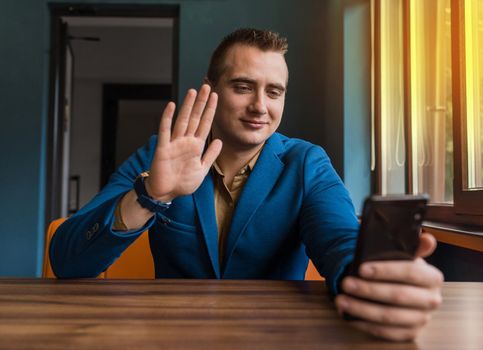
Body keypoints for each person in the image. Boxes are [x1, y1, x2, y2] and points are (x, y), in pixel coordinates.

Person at [50, 28, 443, 341]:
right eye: (243, 86)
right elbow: (68, 259)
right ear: (212, 89)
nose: (260, 106)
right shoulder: (159, 157)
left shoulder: (306, 163)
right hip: (172, 338)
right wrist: (152, 196)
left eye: (274, 92)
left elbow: (340, 240)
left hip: (274, 339)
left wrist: (371, 281)